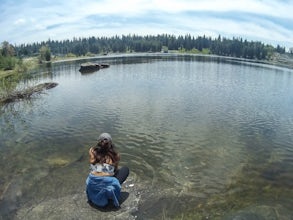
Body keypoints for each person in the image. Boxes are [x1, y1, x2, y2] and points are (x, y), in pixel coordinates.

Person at [86, 133, 129, 208]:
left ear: (98, 143)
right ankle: (109, 192)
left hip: (93, 185)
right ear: (110, 144)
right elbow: (114, 171)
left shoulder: (93, 153)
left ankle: (101, 189)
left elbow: (92, 164)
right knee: (125, 169)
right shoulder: (115, 155)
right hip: (107, 185)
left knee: (97, 170)